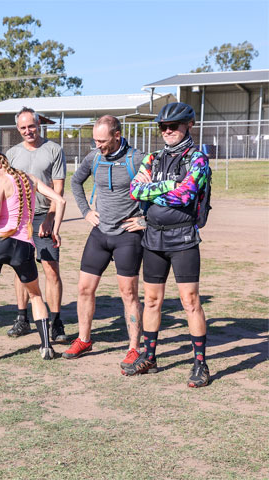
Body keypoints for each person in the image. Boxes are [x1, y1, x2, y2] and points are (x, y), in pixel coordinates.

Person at [126, 102, 211, 388]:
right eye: (163, 127)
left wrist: (156, 192)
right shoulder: (152, 158)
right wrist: (168, 186)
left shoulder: (197, 158)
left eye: (173, 126)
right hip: (153, 238)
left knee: (190, 302)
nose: (167, 131)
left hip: (184, 239)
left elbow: (185, 196)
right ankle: (149, 357)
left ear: (189, 125)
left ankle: (200, 364)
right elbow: (135, 190)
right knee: (151, 301)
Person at [0, 151, 66, 364]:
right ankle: (46, 346)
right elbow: (59, 200)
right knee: (36, 296)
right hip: (23, 245)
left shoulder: (1, 181)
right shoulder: (30, 178)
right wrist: (55, 229)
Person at [66, 115, 145, 369]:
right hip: (100, 233)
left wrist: (145, 220)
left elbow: (160, 190)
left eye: (102, 140)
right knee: (84, 289)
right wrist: (86, 211)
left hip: (127, 236)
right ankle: (84, 339)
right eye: (95, 140)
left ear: (117, 135)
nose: (98, 145)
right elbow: (76, 181)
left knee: (128, 294)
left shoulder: (137, 159)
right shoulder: (94, 157)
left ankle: (134, 348)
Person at [6, 107, 68, 343]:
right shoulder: (12, 154)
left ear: (39, 124)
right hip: (19, 218)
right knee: (19, 267)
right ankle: (22, 318)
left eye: (31, 126)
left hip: (44, 215)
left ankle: (56, 322)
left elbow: (59, 189)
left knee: (50, 268)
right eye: (23, 128)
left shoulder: (54, 150)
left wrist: (52, 218)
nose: (27, 131)